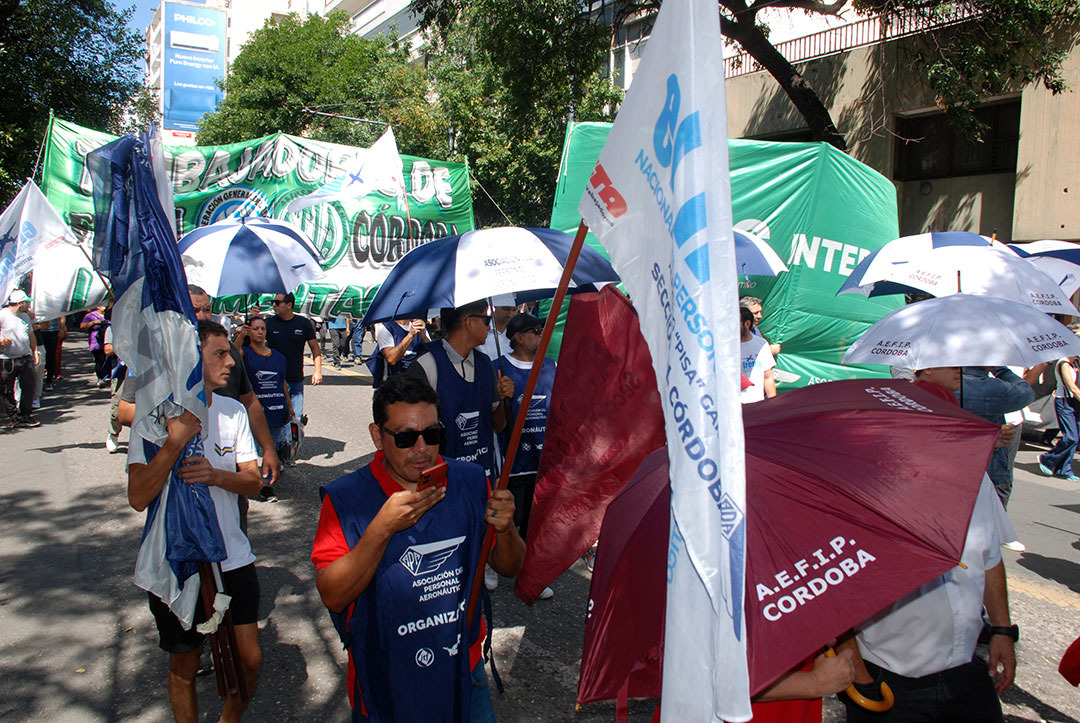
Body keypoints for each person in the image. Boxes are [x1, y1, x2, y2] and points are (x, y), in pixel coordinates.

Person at [311, 373, 525, 722]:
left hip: (463, 667)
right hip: (387, 679)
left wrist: (507, 529)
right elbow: (333, 596)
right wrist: (381, 529)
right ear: (377, 436)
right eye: (406, 437)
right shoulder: (346, 499)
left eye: (433, 434)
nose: (422, 448)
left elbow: (510, 566)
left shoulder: (471, 481)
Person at [838, 365, 1017, 723]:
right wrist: (858, 674)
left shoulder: (976, 481)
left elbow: (990, 557)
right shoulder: (863, 492)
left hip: (964, 669)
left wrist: (1002, 630)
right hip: (889, 677)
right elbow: (835, 591)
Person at [126, 320, 263, 723]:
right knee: (184, 665)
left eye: (229, 353)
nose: (230, 361)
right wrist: (175, 441)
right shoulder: (154, 418)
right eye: (219, 354)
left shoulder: (232, 411)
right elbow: (138, 496)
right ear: (191, 359)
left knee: (249, 660)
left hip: (232, 557)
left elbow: (253, 482)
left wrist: (216, 476)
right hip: (178, 561)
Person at [407, 300, 515, 480]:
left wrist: (505, 400)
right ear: (469, 322)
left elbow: (498, 425)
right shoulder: (426, 365)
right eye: (486, 320)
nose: (489, 327)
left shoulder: (485, 364)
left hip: (483, 475)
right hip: (442, 481)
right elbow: (412, 433)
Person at [496, 313, 556, 600]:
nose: (542, 335)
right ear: (518, 337)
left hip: (543, 461)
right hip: (512, 462)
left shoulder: (551, 366)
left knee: (535, 523)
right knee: (508, 518)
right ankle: (494, 562)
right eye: (536, 330)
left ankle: (530, 574)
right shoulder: (498, 368)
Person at [959, 366, 1043, 508]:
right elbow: (1026, 393)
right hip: (991, 467)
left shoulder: (948, 385)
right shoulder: (995, 387)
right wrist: (1001, 370)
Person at [240, 316, 292, 503]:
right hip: (254, 411)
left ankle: (266, 484)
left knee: (272, 448)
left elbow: (282, 382)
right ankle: (249, 483)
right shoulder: (245, 353)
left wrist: (289, 406)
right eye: (255, 328)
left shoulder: (278, 357)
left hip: (276, 409)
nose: (260, 332)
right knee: (251, 449)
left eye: (262, 328)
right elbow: (234, 354)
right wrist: (240, 336)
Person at [264, 292, 321, 426]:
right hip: (274, 380)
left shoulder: (303, 323)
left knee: (296, 421)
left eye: (277, 302)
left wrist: (317, 371)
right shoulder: (268, 323)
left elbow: (315, 347)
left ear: (289, 305)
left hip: (295, 378)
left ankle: (295, 439)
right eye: (273, 302)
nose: (274, 305)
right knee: (277, 420)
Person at [0, 290, 40, 428]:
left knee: (28, 386)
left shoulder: (25, 316)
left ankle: (26, 414)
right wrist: (1, 341)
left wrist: (35, 351)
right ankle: (13, 415)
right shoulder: (3, 315)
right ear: (19, 303)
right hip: (7, 358)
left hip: (25, 356)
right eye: (26, 302)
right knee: (7, 389)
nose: (28, 305)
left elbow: (30, 334)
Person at [1038, 355, 1080, 482]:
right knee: (1071, 437)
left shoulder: (1075, 363)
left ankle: (1064, 470)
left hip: (1075, 403)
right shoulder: (1064, 363)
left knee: (1076, 438)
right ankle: (1047, 459)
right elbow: (1071, 387)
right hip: (1065, 402)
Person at [369, 318, 429, 387]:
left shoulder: (420, 328)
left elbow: (433, 354)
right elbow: (391, 359)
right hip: (395, 385)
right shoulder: (386, 327)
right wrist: (410, 335)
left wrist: (423, 335)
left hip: (418, 384)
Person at [740, 306, 776, 403]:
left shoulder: (761, 344)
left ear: (747, 324)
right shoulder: (726, 347)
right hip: (735, 405)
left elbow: (768, 377)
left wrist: (773, 403)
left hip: (757, 404)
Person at [80, 304, 112, 387]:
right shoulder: (91, 315)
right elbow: (82, 326)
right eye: (103, 305)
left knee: (108, 359)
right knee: (99, 360)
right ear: (98, 306)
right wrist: (94, 322)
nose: (105, 306)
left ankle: (108, 376)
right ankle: (100, 378)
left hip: (109, 340)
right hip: (96, 341)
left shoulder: (109, 314)